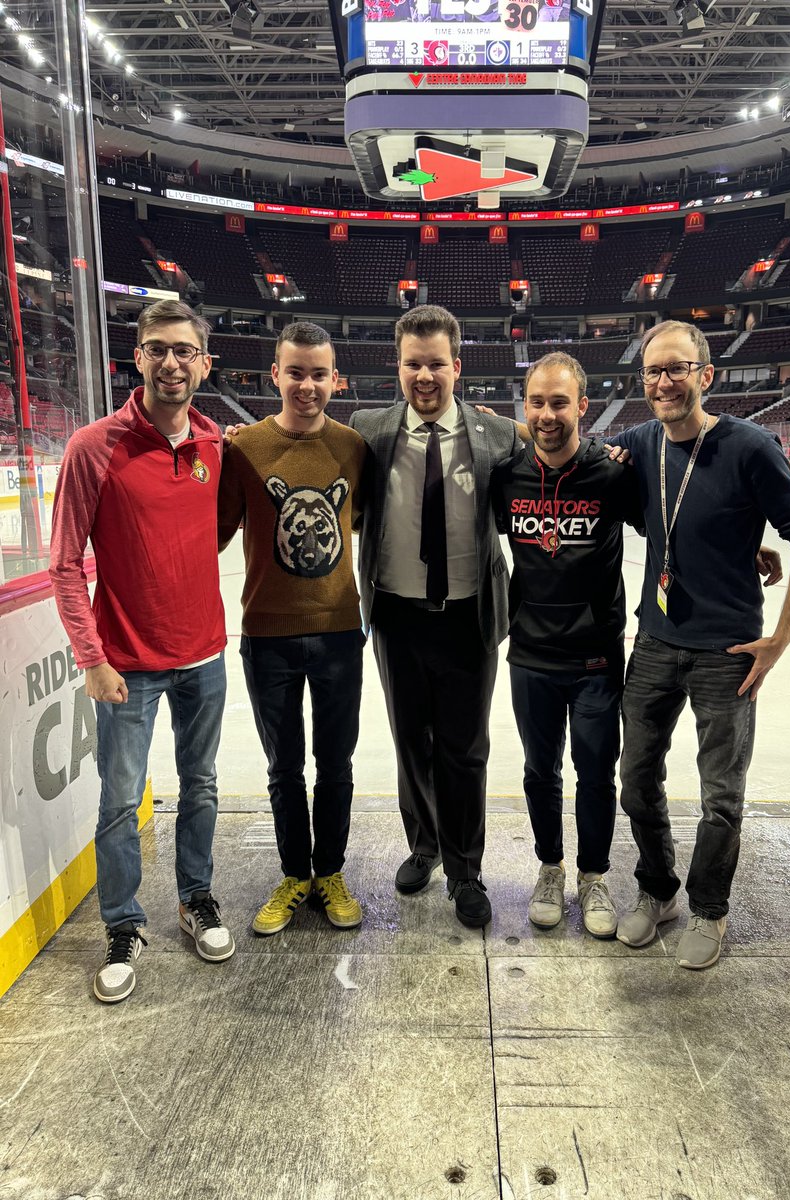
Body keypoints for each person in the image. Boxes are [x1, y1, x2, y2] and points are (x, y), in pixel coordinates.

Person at [611, 320, 790, 969]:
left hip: (727, 653)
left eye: (677, 368)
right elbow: (570, 452)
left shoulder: (750, 446)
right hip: (655, 642)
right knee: (635, 780)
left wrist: (779, 640)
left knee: (721, 798)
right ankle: (658, 890)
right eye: (653, 371)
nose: (664, 382)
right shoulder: (638, 442)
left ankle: (709, 908)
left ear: (706, 374)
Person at [50, 299, 234, 1004]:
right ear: (139, 358)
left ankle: (196, 898)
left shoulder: (214, 445)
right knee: (121, 801)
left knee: (202, 785)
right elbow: (64, 564)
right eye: (158, 349)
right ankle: (124, 924)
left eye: (184, 350)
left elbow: (210, 534)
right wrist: (92, 658)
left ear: (204, 363)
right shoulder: (94, 446)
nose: (171, 363)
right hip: (125, 665)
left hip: (204, 656)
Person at [348, 305, 521, 928]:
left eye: (436, 364)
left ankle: (466, 868)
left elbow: (561, 463)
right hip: (396, 615)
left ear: (457, 367)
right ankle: (424, 845)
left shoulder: (497, 436)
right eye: (413, 364)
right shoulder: (367, 430)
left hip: (469, 616)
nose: (425, 376)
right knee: (410, 742)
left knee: (465, 749)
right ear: (398, 367)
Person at [218, 322, 368, 933]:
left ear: (336, 380)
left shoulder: (354, 447)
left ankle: (329, 871)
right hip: (267, 636)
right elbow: (214, 534)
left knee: (336, 765)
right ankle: (293, 874)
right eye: (296, 373)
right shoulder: (244, 447)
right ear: (275, 375)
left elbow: (374, 520)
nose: (307, 385)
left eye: (318, 374)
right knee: (284, 769)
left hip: (339, 633)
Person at [491, 352, 644, 937]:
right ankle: (550, 867)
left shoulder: (612, 472)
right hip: (531, 653)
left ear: (582, 406)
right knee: (540, 770)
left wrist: (744, 544)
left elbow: (668, 526)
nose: (547, 414)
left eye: (559, 402)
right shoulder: (507, 477)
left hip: (595, 657)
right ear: (524, 406)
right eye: (536, 402)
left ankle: (594, 875)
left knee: (597, 772)